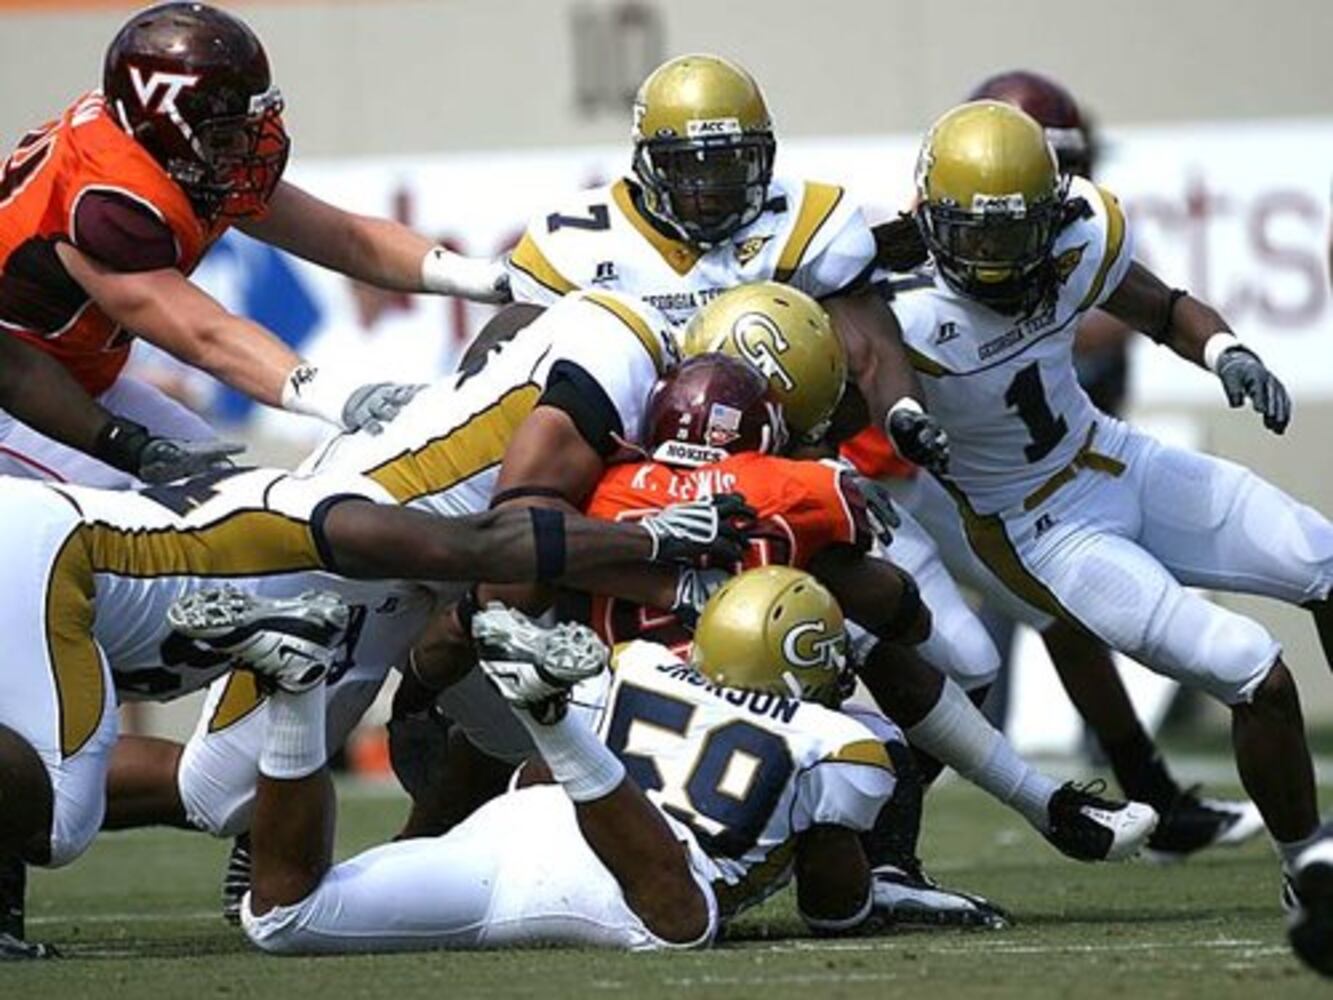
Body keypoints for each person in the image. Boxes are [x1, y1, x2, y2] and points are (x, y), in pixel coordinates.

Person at [0, 459, 746, 959]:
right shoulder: (326, 516)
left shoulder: (339, 557)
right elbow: (482, 543)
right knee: (60, 823)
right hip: (43, 552)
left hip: (48, 545)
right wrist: (647, 537)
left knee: (216, 792)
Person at [888, 98, 1332, 909]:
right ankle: (1309, 869)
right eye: (976, 236)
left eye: (1016, 234)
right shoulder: (893, 300)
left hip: (1115, 457)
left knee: (1323, 560)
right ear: (928, 219)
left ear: (1051, 210)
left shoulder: (1077, 234)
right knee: (1252, 670)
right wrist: (901, 418)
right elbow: (856, 386)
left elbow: (1159, 308)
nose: (997, 260)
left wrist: (1223, 349)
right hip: (1043, 529)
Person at [171, 567, 952, 954]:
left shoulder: (642, 661)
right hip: (635, 871)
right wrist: (852, 893)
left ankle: (296, 690)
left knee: (281, 917)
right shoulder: (843, 742)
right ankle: (546, 716)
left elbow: (533, 783)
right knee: (682, 921)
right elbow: (831, 906)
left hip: (529, 820)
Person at [0, 2, 508, 488]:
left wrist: (487, 277)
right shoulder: (109, 202)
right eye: (226, 136)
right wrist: (337, 396)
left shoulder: (163, 151)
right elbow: (206, 336)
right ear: (166, 127)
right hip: (18, 397)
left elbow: (345, 237)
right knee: (181, 522)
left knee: (228, 498)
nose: (249, 146)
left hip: (80, 378)